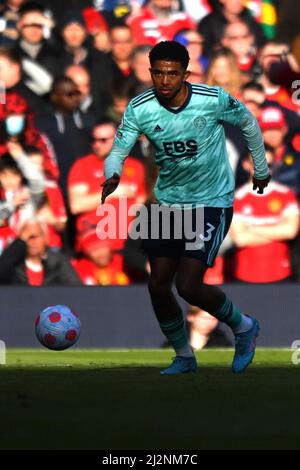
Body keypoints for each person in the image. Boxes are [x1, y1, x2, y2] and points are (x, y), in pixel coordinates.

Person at [101, 40, 270, 375]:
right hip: (166, 203)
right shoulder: (140, 108)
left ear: (185, 74)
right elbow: (118, 150)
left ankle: (244, 326)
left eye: (172, 73)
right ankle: (184, 356)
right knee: (158, 284)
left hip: (211, 200)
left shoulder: (212, 100)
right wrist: (113, 173)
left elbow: (249, 122)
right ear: (151, 73)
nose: (165, 80)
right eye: (159, 73)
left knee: (189, 285)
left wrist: (261, 168)